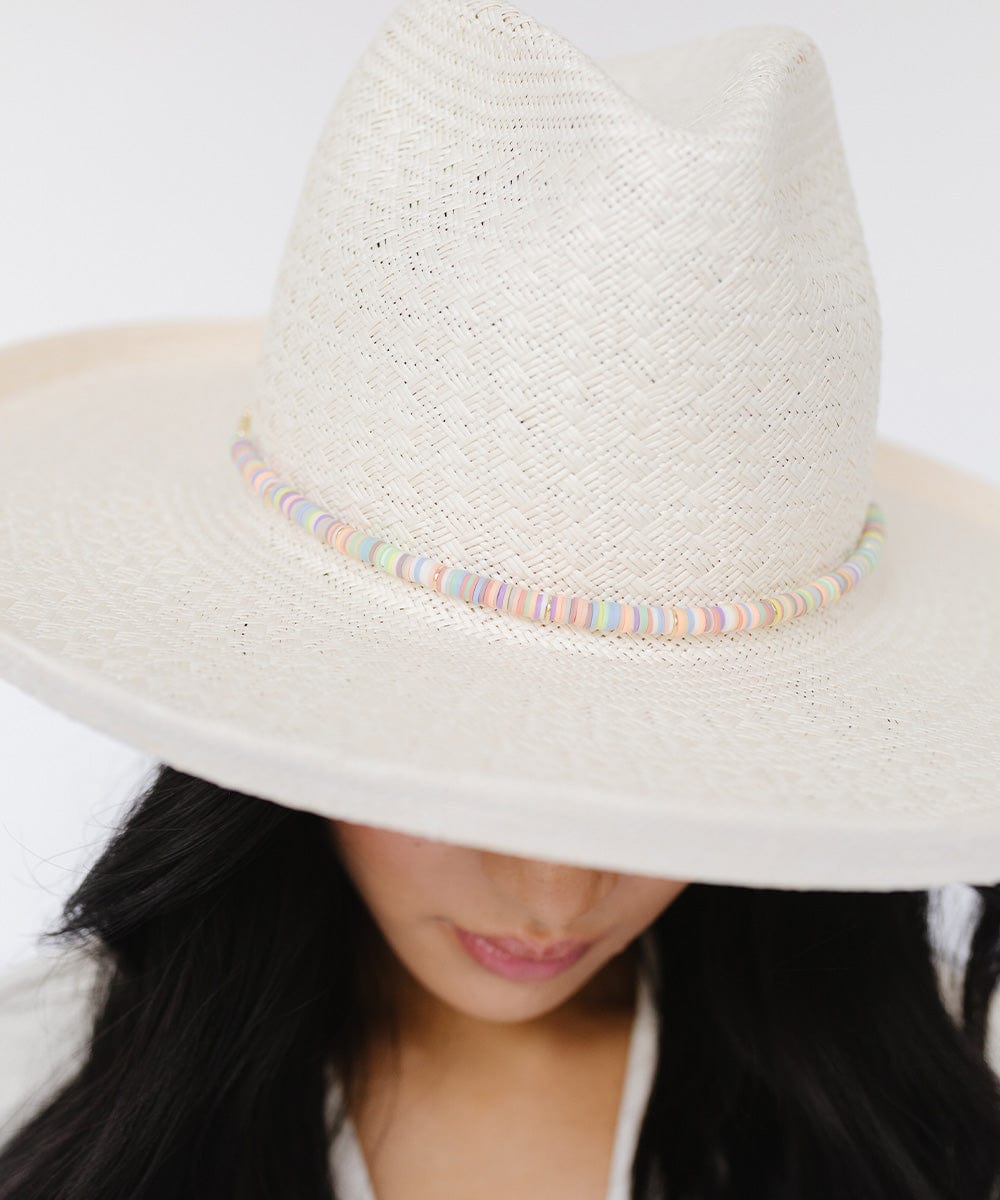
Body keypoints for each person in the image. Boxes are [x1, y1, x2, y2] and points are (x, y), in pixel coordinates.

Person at [0, 1, 999, 1196]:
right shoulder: (39, 1082)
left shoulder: (939, 1111)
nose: (551, 897)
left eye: (654, 780)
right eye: (459, 762)